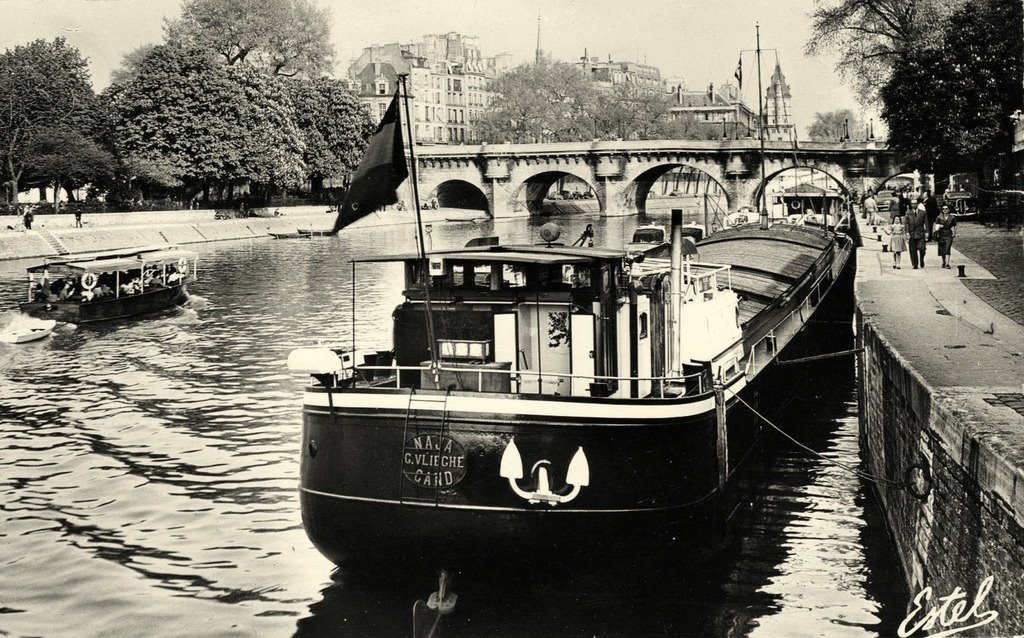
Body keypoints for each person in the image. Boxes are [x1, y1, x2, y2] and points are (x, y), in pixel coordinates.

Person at [934, 204, 958, 269]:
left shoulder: (952, 217)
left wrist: (954, 232)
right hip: (941, 234)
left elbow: (955, 225)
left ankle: (947, 263)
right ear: (942, 210)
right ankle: (943, 261)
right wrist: (939, 227)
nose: (945, 210)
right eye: (943, 209)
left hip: (948, 234)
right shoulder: (939, 217)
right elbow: (936, 225)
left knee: (947, 248)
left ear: (949, 210)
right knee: (942, 249)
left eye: (946, 209)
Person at [907, 198, 928, 268]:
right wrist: (907, 232)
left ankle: (922, 259)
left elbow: (926, 222)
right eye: (912, 203)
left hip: (920, 233)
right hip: (912, 233)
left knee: (922, 249)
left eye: (915, 203)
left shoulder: (922, 212)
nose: (913, 205)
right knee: (913, 250)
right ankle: (915, 264)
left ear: (917, 204)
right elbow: (906, 223)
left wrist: (927, 232)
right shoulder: (908, 213)